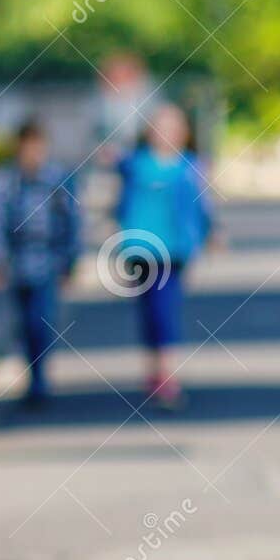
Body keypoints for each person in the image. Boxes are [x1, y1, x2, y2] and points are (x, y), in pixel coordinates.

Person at [110, 103, 220, 410]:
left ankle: (166, 374)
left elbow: (203, 204)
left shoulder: (190, 167)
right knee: (149, 308)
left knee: (165, 307)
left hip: (175, 249)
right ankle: (155, 369)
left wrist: (212, 232)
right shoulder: (136, 164)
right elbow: (118, 191)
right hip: (140, 248)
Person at [0, 120, 82, 409]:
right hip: (18, 263)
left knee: (41, 319)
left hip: (48, 261)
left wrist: (70, 261)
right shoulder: (4, 181)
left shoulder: (58, 179)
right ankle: (32, 371)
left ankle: (39, 379)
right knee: (23, 323)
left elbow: (71, 220)